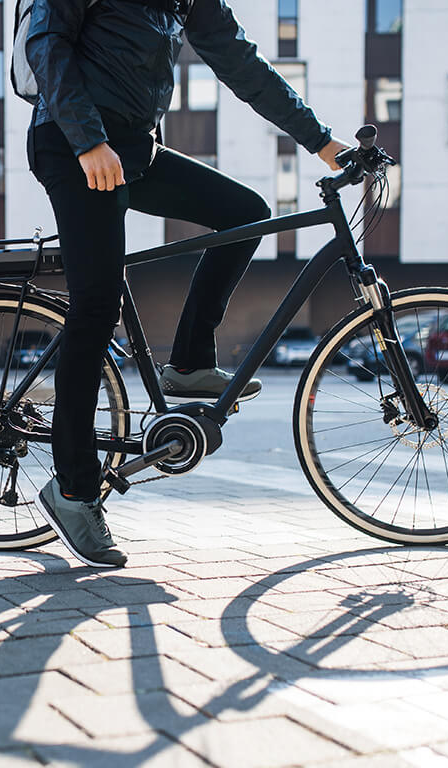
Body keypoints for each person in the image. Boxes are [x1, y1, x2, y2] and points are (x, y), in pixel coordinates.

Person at [25, 0, 350, 568]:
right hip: (73, 142)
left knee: (246, 212)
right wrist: (86, 140)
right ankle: (73, 490)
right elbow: (45, 42)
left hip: (133, 149)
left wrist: (322, 142)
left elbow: (242, 65)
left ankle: (189, 363)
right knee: (97, 308)